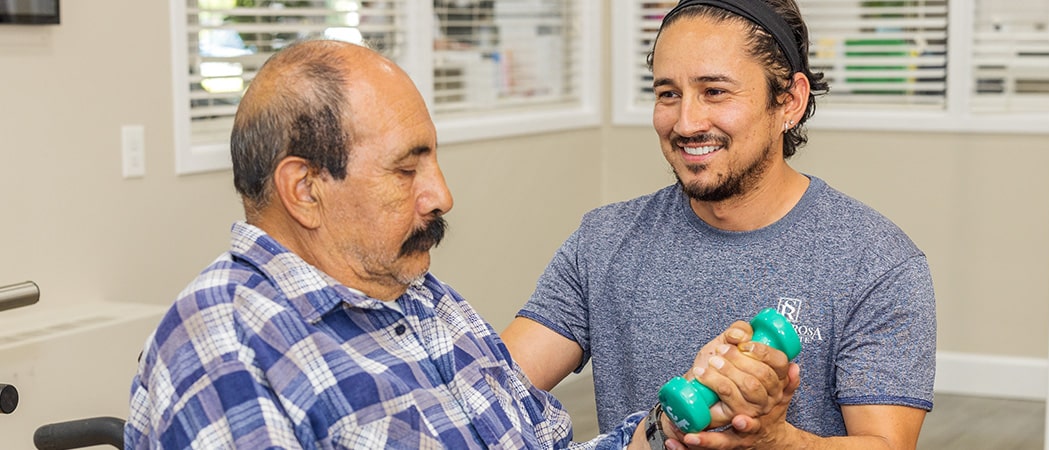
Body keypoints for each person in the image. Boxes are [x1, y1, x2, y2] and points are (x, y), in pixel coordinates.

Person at [124, 39, 670, 449]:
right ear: (305, 190)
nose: (442, 196)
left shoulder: (424, 298)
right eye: (406, 170)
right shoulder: (223, 347)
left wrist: (668, 427)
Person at [502, 0, 937, 448]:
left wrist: (777, 442)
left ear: (789, 101)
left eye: (715, 92)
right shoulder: (603, 242)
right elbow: (490, 394)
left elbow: (886, 444)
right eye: (669, 93)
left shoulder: (878, 262)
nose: (686, 122)